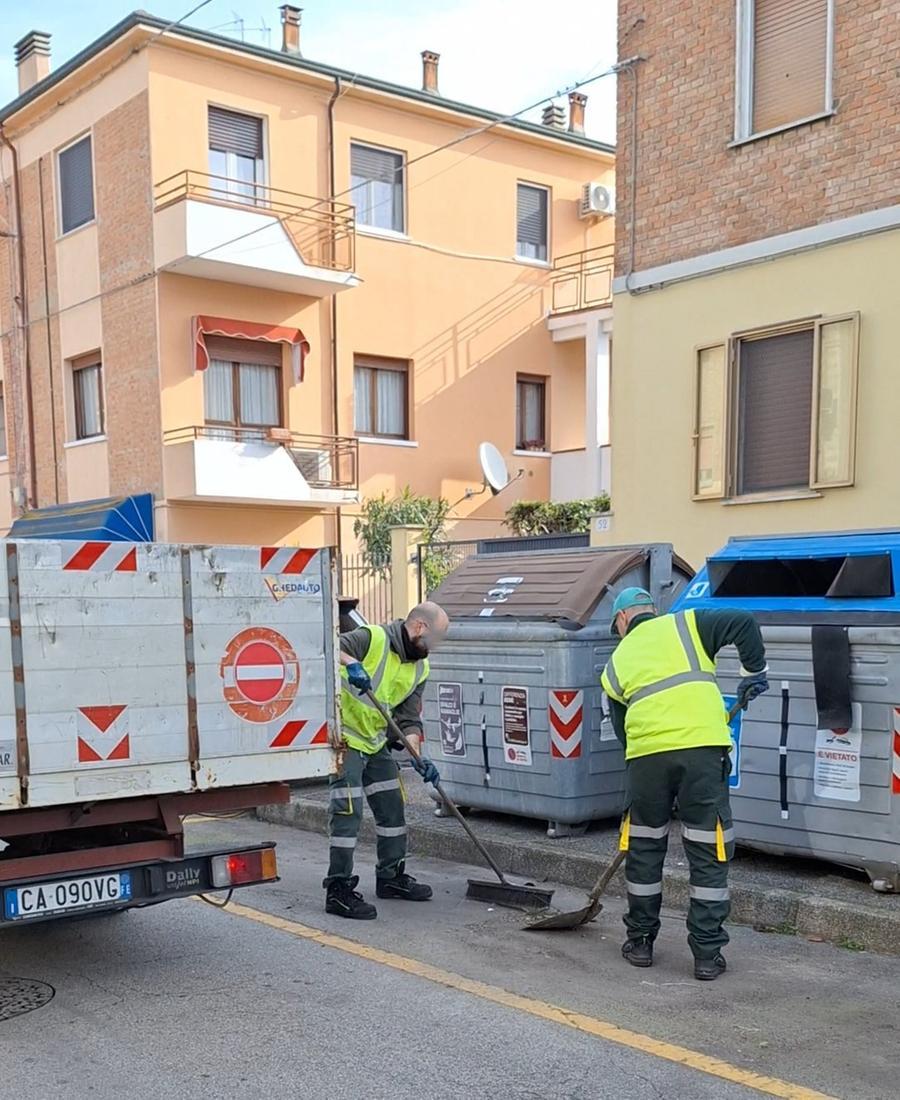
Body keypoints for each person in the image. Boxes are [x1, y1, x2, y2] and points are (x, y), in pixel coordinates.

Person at [601, 587, 768, 981]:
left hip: (646, 761)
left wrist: (647, 755)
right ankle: (707, 955)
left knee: (643, 848)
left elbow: (622, 728)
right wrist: (753, 672)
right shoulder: (687, 623)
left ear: (622, 620)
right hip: (702, 752)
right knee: (707, 850)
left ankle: (640, 942)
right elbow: (743, 622)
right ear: (649, 611)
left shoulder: (615, 662)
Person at [324, 601, 450, 919]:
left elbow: (408, 720)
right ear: (419, 626)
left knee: (393, 807)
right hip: (345, 738)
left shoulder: (420, 667)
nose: (435, 646)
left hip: (375, 742)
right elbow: (325, 645)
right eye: (435, 637)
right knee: (348, 812)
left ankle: (391, 878)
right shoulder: (372, 638)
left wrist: (418, 757)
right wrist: (352, 663)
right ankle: (338, 889)